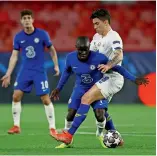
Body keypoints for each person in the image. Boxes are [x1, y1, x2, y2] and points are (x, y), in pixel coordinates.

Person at [50, 36, 149, 146]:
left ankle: (100, 134)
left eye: (85, 50)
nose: (83, 53)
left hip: (96, 88)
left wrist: (134, 79)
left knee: (100, 114)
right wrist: (58, 88)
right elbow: (67, 73)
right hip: (80, 88)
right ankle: (67, 137)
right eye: (80, 50)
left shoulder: (99, 58)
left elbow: (117, 68)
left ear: (89, 48)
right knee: (71, 113)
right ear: (76, 48)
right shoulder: (70, 58)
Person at [1, 9, 60, 136]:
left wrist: (56, 65)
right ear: (21, 21)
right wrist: (8, 73)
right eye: (24, 18)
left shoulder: (42, 34)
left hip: (39, 71)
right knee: (16, 95)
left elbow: (52, 50)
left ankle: (52, 127)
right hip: (25, 71)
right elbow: (14, 56)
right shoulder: (18, 37)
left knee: (45, 98)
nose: (27, 20)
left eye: (29, 18)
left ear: (32, 20)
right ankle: (16, 126)